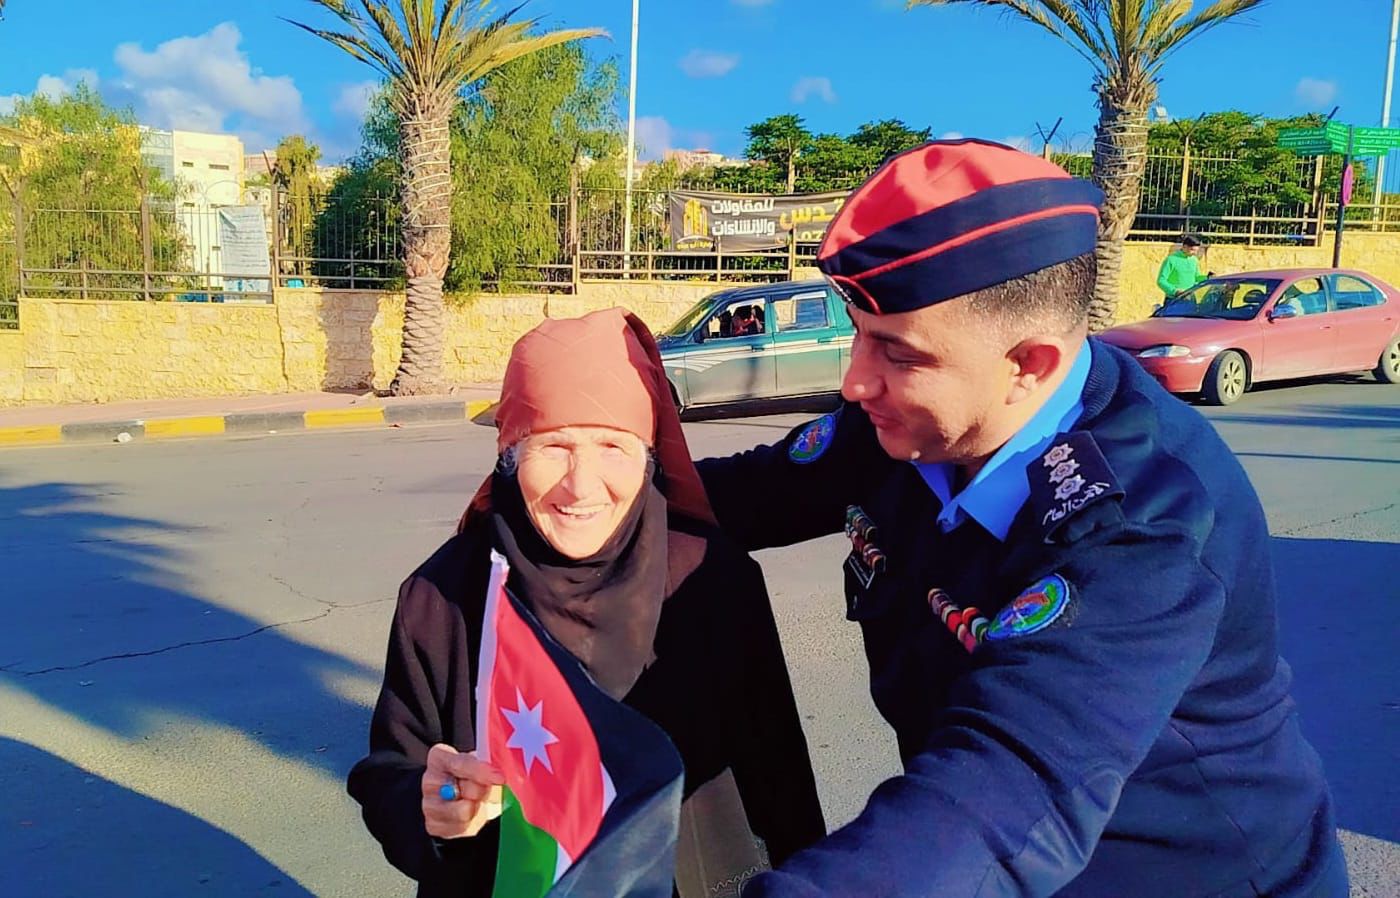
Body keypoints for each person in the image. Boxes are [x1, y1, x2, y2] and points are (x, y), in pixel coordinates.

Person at [696, 140, 1346, 897]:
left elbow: (1003, 790)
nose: (855, 381)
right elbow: (737, 494)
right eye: (857, 332)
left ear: (1029, 364)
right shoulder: (907, 428)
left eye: (895, 352)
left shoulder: (1143, 523)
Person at [348, 308, 825, 897]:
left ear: (649, 457)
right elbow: (391, 771)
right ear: (510, 453)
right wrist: (436, 804)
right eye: (553, 446)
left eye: (612, 447)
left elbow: (778, 774)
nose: (581, 485)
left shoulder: (712, 580)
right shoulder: (444, 597)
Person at [1157, 233, 1208, 301]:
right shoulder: (1171, 260)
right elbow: (1161, 280)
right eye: (1192, 250)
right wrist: (1175, 291)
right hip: (1174, 299)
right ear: (1185, 247)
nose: (1195, 253)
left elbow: (1197, 278)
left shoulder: (1194, 260)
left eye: (1196, 251)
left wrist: (1207, 277)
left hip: (1190, 298)